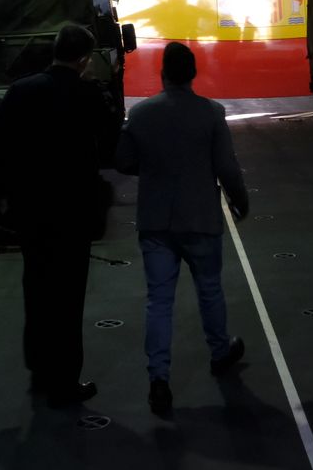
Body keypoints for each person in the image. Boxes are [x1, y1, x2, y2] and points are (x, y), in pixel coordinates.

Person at [115, 41, 250, 416]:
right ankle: (220, 353)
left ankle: (158, 378)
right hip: (201, 219)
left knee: (159, 301)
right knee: (209, 290)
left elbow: (123, 160)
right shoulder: (211, 113)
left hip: (156, 221)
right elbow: (226, 166)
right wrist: (240, 201)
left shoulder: (141, 114)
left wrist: (155, 170)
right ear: (193, 75)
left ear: (163, 73)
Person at [0, 23, 115, 409]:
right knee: (68, 296)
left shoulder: (21, 91)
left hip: (31, 209)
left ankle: (39, 368)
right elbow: (110, 145)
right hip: (74, 212)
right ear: (83, 58)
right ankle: (65, 380)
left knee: (37, 286)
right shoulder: (88, 94)